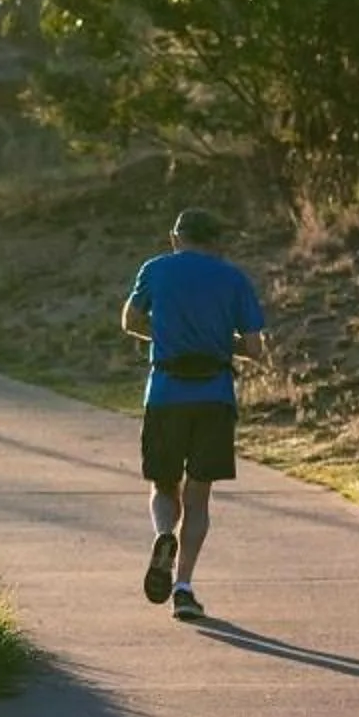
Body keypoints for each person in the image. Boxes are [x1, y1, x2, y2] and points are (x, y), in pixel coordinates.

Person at [119, 207, 267, 622]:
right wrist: (223, 343)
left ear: (175, 236)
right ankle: (183, 587)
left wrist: (165, 334)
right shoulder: (234, 278)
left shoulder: (156, 269)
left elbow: (130, 321)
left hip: (165, 394)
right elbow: (255, 348)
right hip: (214, 397)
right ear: (216, 241)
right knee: (198, 496)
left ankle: (164, 535)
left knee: (164, 486)